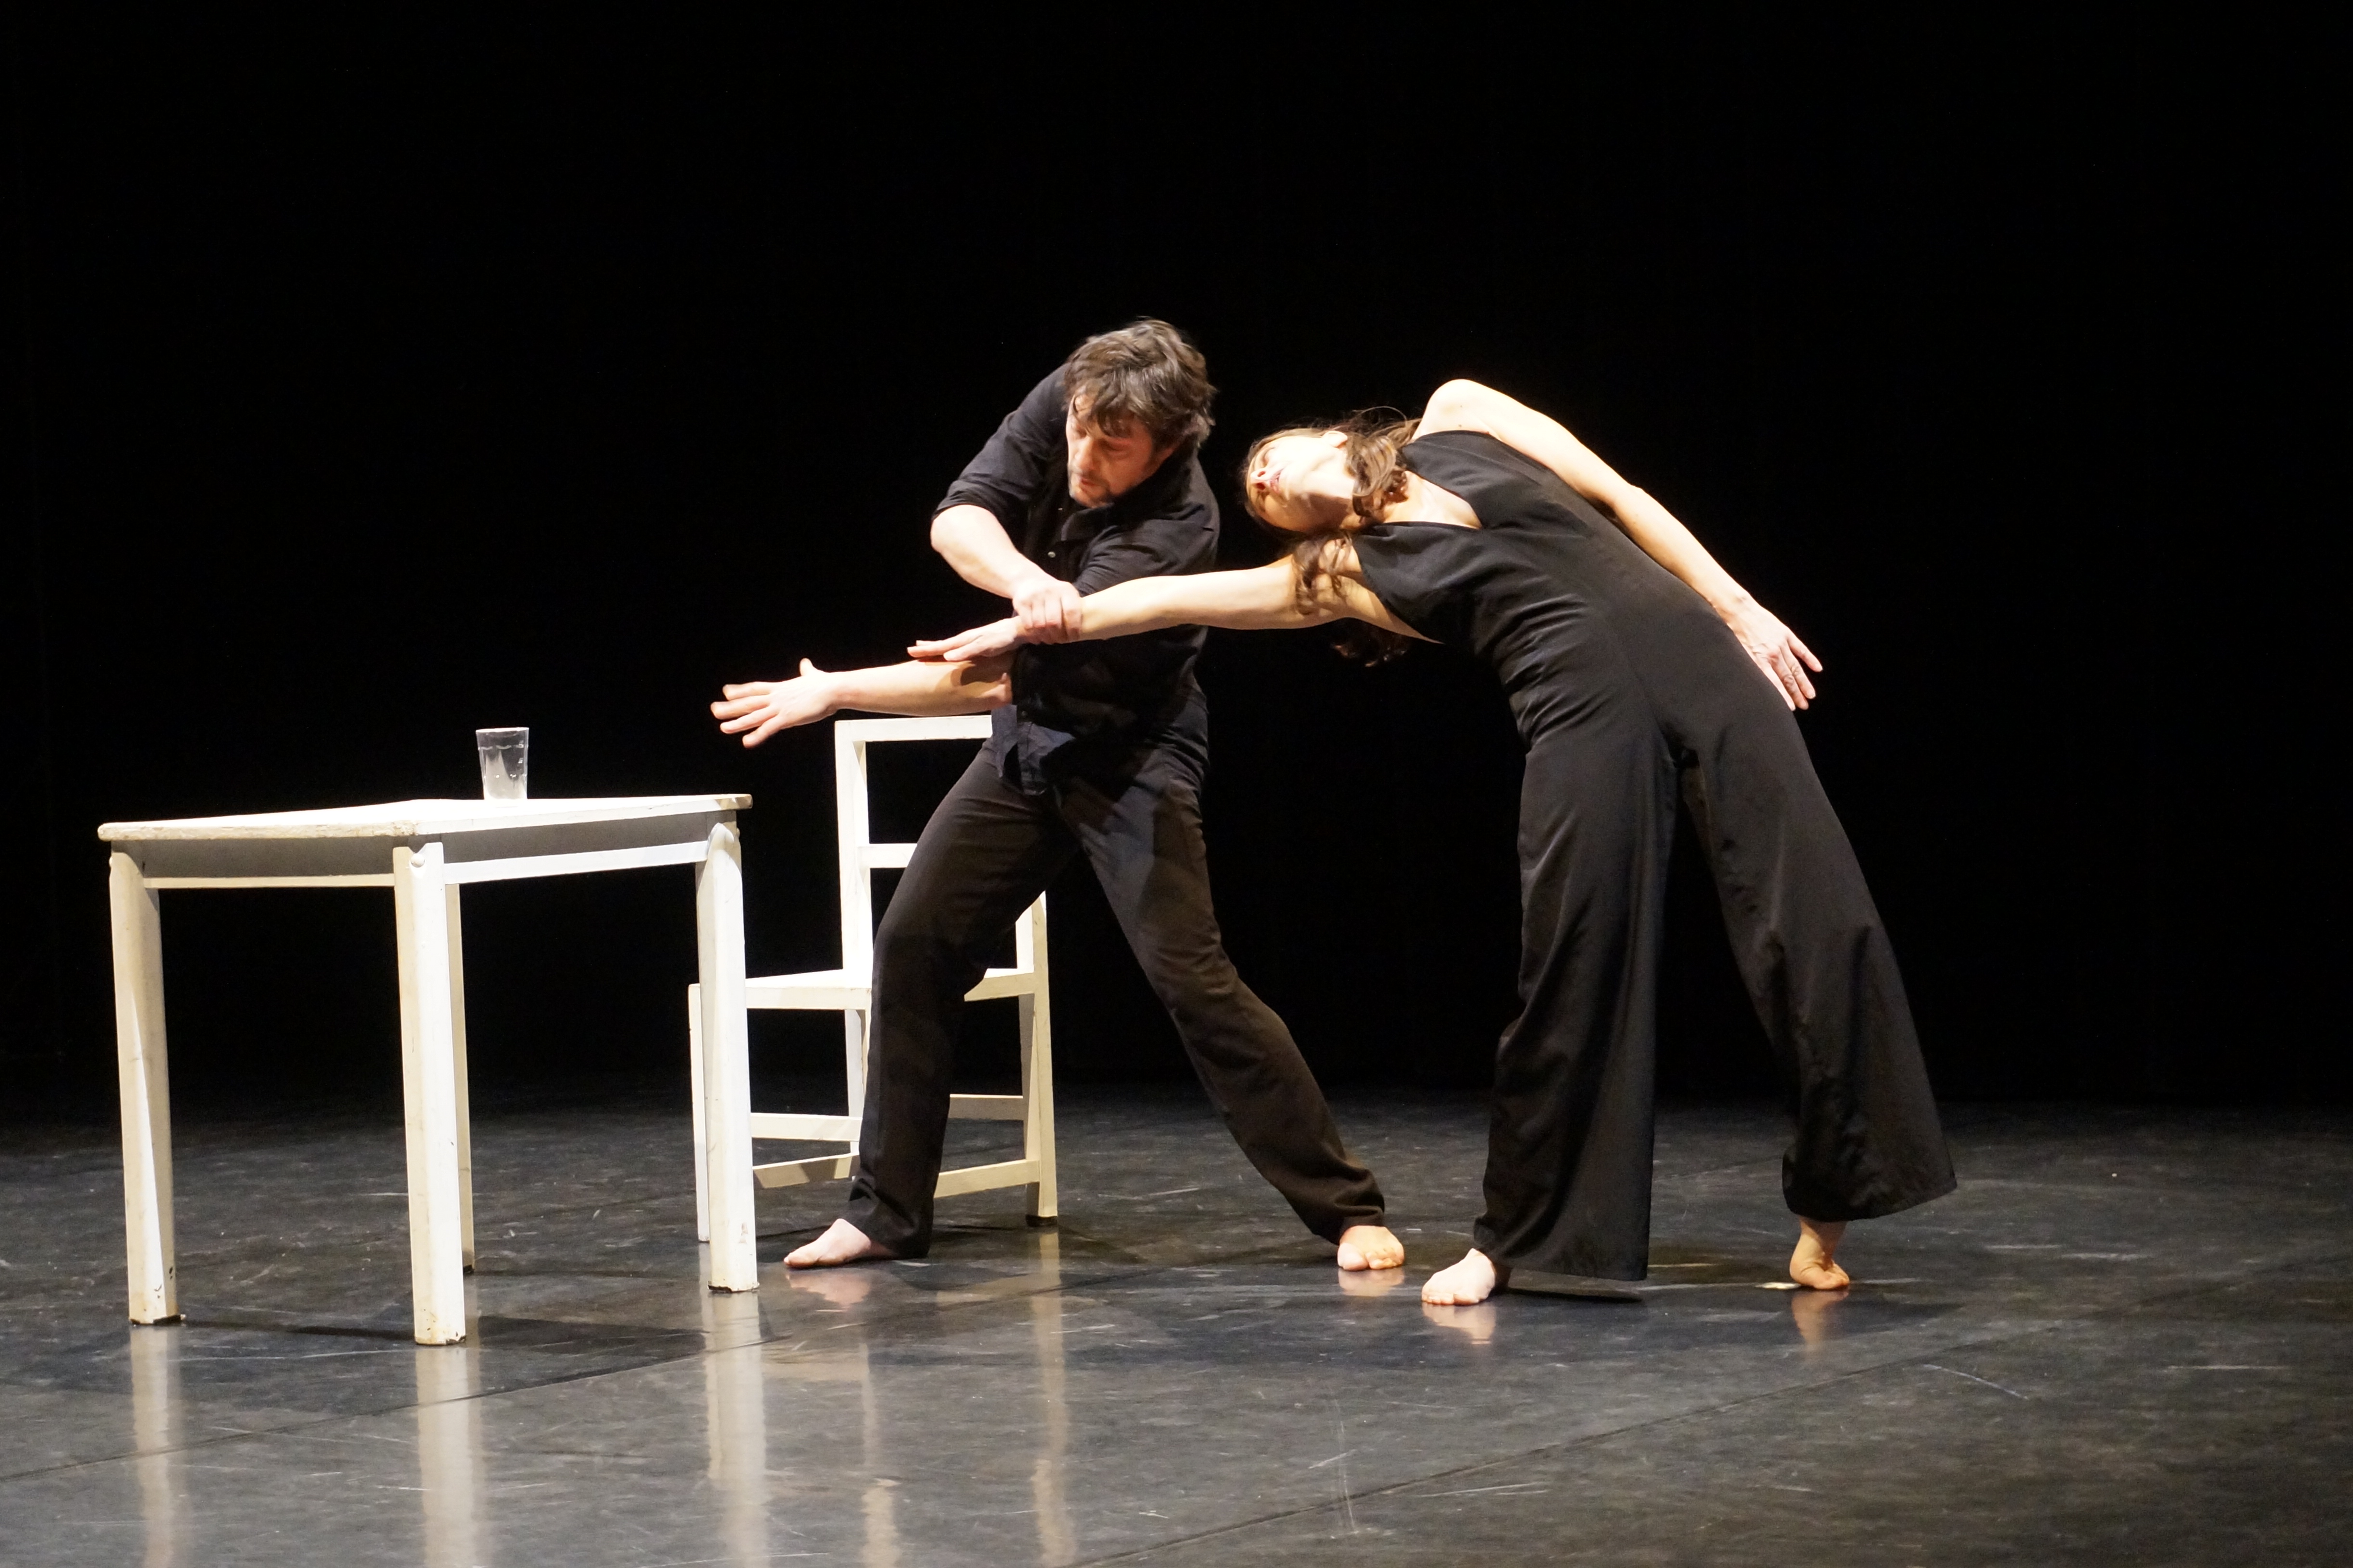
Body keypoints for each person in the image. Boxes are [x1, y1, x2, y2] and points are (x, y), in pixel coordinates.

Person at [914, 378, 1957, 1306]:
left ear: (1331, 432)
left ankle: (1829, 1210)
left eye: (1271, 458)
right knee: (1574, 954)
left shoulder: (1461, 412)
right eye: (1259, 499)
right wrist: (1038, 620)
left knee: (1817, 920)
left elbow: (1622, 497)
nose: (1265, 481)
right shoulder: (1333, 574)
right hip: (1578, 712)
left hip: (1697, 656)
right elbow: (1160, 598)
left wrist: (1736, 606)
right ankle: (1519, 1241)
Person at [711, 320, 1403, 1273]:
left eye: (1112, 446)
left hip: (1131, 757)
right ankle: (884, 1214)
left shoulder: (1177, 530)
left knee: (1192, 983)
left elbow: (996, 681)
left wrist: (841, 688)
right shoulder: (1084, 390)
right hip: (1029, 746)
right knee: (915, 945)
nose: (1082, 456)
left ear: (1169, 443)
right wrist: (1029, 586)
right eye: (1077, 428)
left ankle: (1348, 1211)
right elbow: (957, 518)